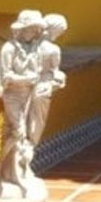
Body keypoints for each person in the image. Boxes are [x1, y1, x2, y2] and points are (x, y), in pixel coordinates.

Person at [0, 10, 47, 202]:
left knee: (23, 135)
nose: (34, 32)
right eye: (32, 29)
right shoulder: (9, 49)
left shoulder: (31, 48)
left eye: (36, 29)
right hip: (13, 95)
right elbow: (5, 77)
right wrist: (25, 79)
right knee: (16, 131)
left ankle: (14, 172)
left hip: (27, 95)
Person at [26, 13, 69, 159]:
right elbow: (56, 75)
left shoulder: (29, 45)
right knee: (36, 123)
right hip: (39, 88)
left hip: (29, 88)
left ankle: (25, 155)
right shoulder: (53, 50)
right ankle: (28, 149)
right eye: (61, 32)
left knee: (25, 124)